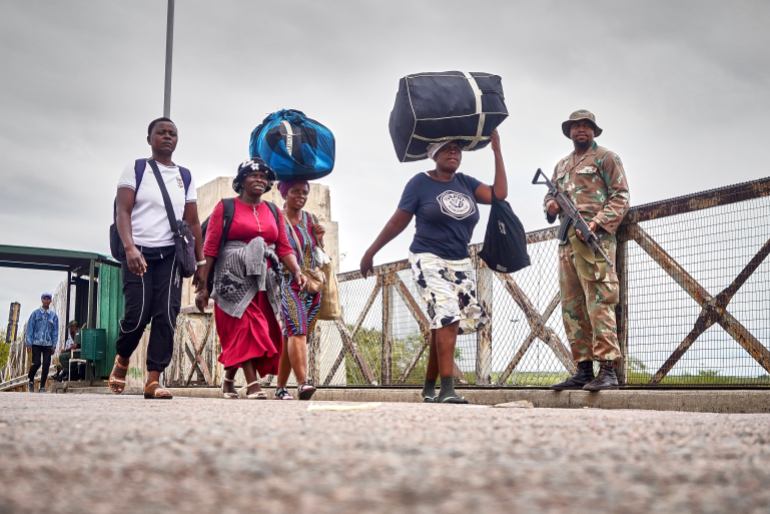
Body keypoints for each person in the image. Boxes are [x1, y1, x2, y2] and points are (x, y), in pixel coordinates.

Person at [360, 130, 507, 404]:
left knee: (446, 323)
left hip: (460, 261)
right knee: (448, 313)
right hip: (426, 258)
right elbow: (398, 221)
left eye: (458, 150)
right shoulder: (420, 183)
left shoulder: (465, 182)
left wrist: (497, 151)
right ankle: (447, 390)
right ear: (434, 154)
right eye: (447, 149)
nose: (454, 153)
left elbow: (499, 194)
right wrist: (371, 251)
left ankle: (429, 387)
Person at [109, 117, 205, 400]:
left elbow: (194, 221)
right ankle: (123, 357)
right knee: (137, 315)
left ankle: (154, 378)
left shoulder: (184, 176)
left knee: (166, 314)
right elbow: (122, 212)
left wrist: (200, 263)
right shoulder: (137, 169)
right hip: (138, 252)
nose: (167, 136)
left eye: (172, 133)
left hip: (170, 255)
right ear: (149, 138)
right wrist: (129, 248)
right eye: (161, 132)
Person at [195, 159, 306, 399]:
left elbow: (284, 247)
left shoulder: (274, 210)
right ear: (241, 180)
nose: (259, 179)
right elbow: (210, 248)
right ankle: (253, 386)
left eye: (264, 177)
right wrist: (203, 286)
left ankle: (227, 380)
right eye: (253, 175)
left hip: (263, 281)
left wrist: (297, 271)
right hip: (231, 279)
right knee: (247, 328)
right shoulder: (225, 207)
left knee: (253, 330)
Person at [545, 110, 630, 391]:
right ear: (569, 131)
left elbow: (621, 196)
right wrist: (550, 206)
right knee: (572, 306)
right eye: (576, 126)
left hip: (595, 241)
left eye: (586, 126)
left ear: (594, 131)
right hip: (567, 243)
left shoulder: (606, 158)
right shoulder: (561, 165)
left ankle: (608, 370)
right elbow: (550, 195)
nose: (581, 130)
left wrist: (596, 222)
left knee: (599, 301)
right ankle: (583, 369)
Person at [274, 180, 325, 400]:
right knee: (297, 330)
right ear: (285, 194)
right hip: (287, 282)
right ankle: (303, 383)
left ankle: (280, 388)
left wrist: (320, 239)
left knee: (292, 335)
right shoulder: (276, 218)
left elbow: (318, 253)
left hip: (311, 286)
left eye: (304, 192)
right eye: (295, 191)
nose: (301, 196)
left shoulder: (311, 219)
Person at [25, 292, 59, 392]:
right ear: (42, 300)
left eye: (48, 298)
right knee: (37, 363)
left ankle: (42, 386)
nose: (46, 300)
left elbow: (55, 331)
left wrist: (54, 345)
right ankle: (30, 379)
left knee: (46, 364)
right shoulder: (35, 314)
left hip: (48, 344)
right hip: (36, 343)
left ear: (50, 301)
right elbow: (30, 329)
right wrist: (28, 343)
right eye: (45, 298)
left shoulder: (53, 316)